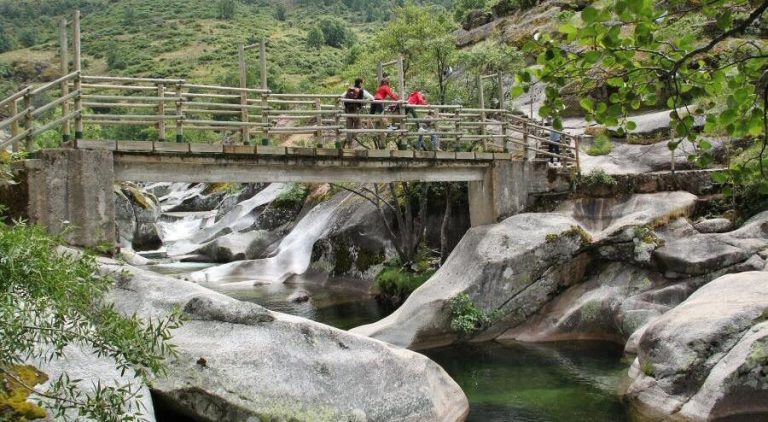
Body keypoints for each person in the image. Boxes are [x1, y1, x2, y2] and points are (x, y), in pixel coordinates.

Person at [342, 78, 367, 148]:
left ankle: (349, 143)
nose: (362, 84)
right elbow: (360, 101)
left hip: (348, 111)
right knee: (358, 126)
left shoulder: (350, 89)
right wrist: (364, 104)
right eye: (362, 83)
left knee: (349, 127)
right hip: (356, 110)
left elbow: (344, 99)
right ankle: (352, 140)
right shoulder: (361, 90)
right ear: (360, 83)